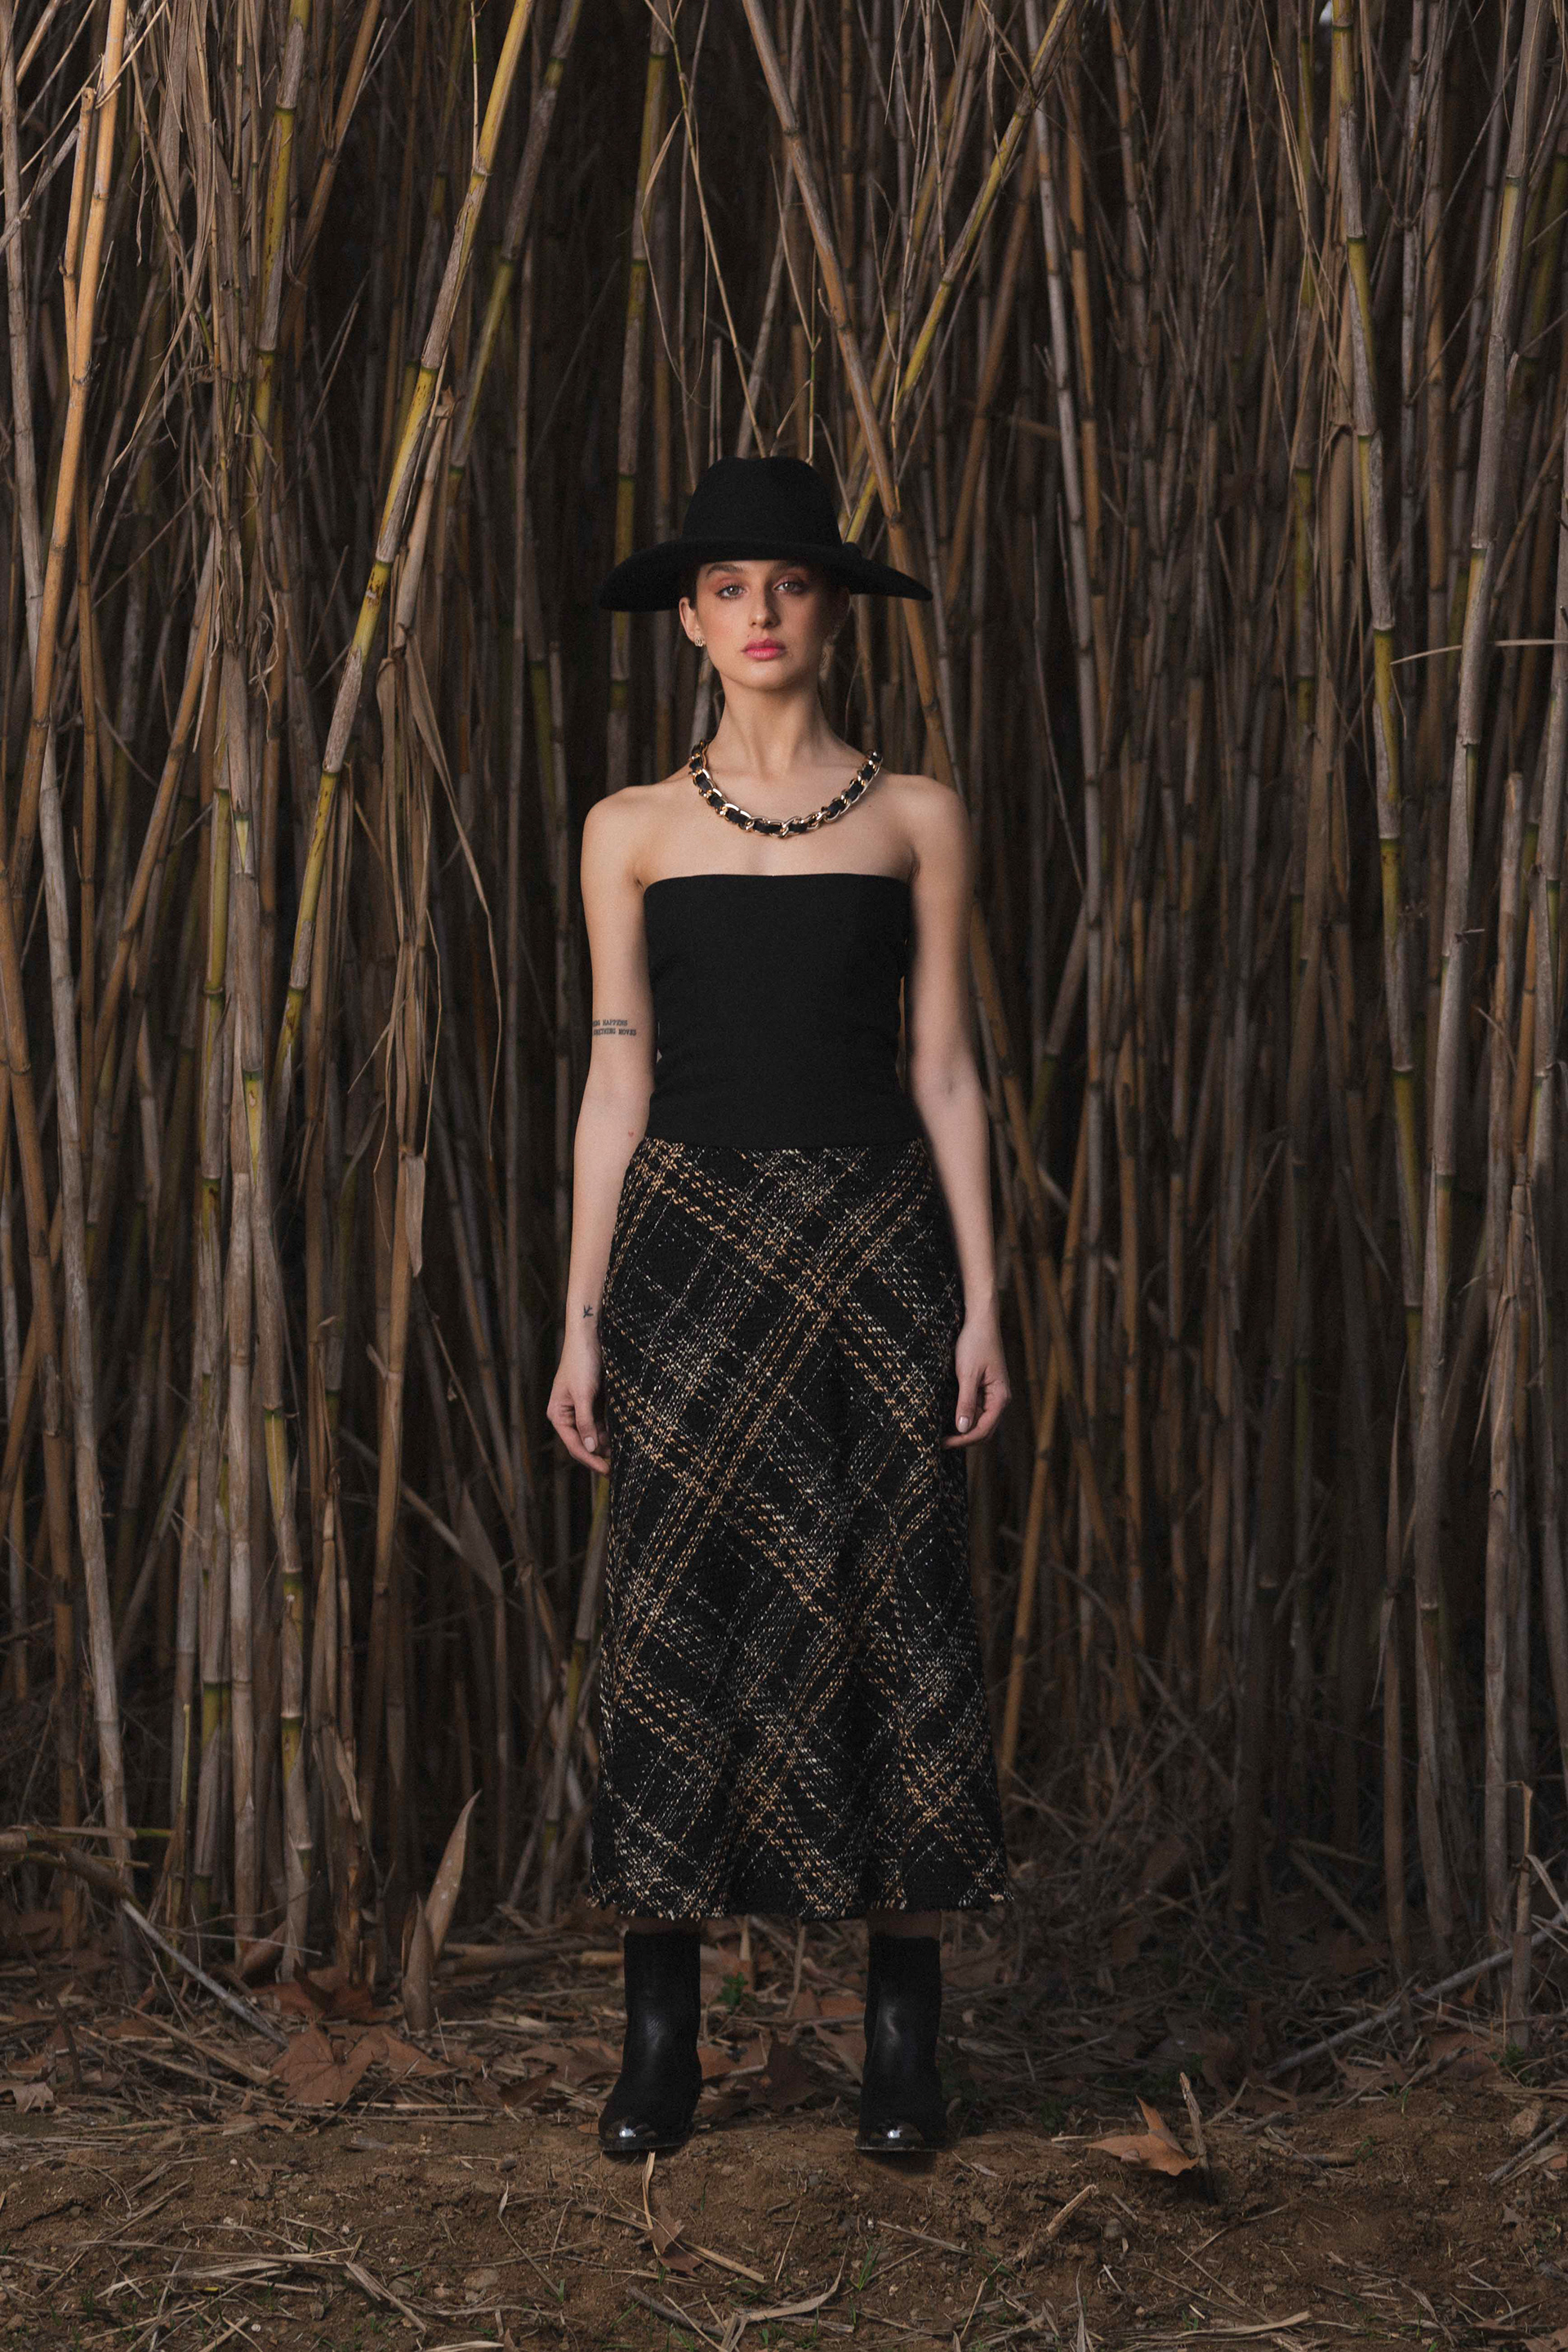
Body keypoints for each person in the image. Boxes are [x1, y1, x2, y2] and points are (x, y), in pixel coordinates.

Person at [547, 453, 1010, 2162]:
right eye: (729, 588)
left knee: (899, 1606)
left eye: (792, 584)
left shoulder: (920, 817)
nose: (761, 613)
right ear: (689, 619)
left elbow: (943, 1071)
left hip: (876, 1250)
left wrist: (981, 1301)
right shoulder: (627, 829)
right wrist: (580, 1317)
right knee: (673, 1617)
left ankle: (903, 2047)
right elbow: (617, 1080)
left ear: (834, 612)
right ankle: (659, 2043)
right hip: (684, 1254)